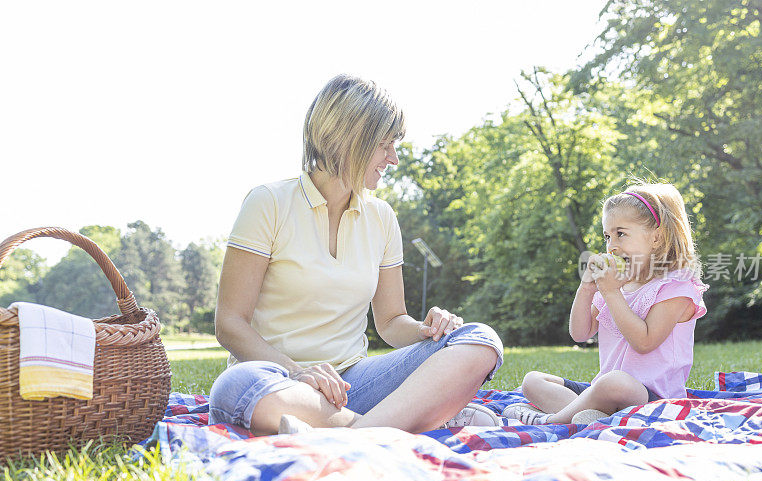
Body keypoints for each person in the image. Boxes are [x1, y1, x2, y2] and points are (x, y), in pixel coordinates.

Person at [209, 74, 503, 435]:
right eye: (384, 145)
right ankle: (387, 427)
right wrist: (299, 373)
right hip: (278, 379)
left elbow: (392, 321)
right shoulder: (268, 203)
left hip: (353, 387)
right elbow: (230, 323)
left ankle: (350, 433)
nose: (393, 158)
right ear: (350, 139)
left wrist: (428, 330)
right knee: (234, 387)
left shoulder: (381, 217)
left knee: (481, 340)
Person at [503, 182, 708, 425]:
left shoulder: (675, 288)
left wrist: (611, 292)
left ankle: (550, 421)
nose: (611, 245)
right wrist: (587, 288)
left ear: (656, 237)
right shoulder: (616, 284)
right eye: (607, 236)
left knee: (614, 382)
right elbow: (580, 333)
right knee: (533, 381)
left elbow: (644, 342)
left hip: (651, 399)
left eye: (621, 233)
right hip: (604, 391)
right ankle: (592, 417)